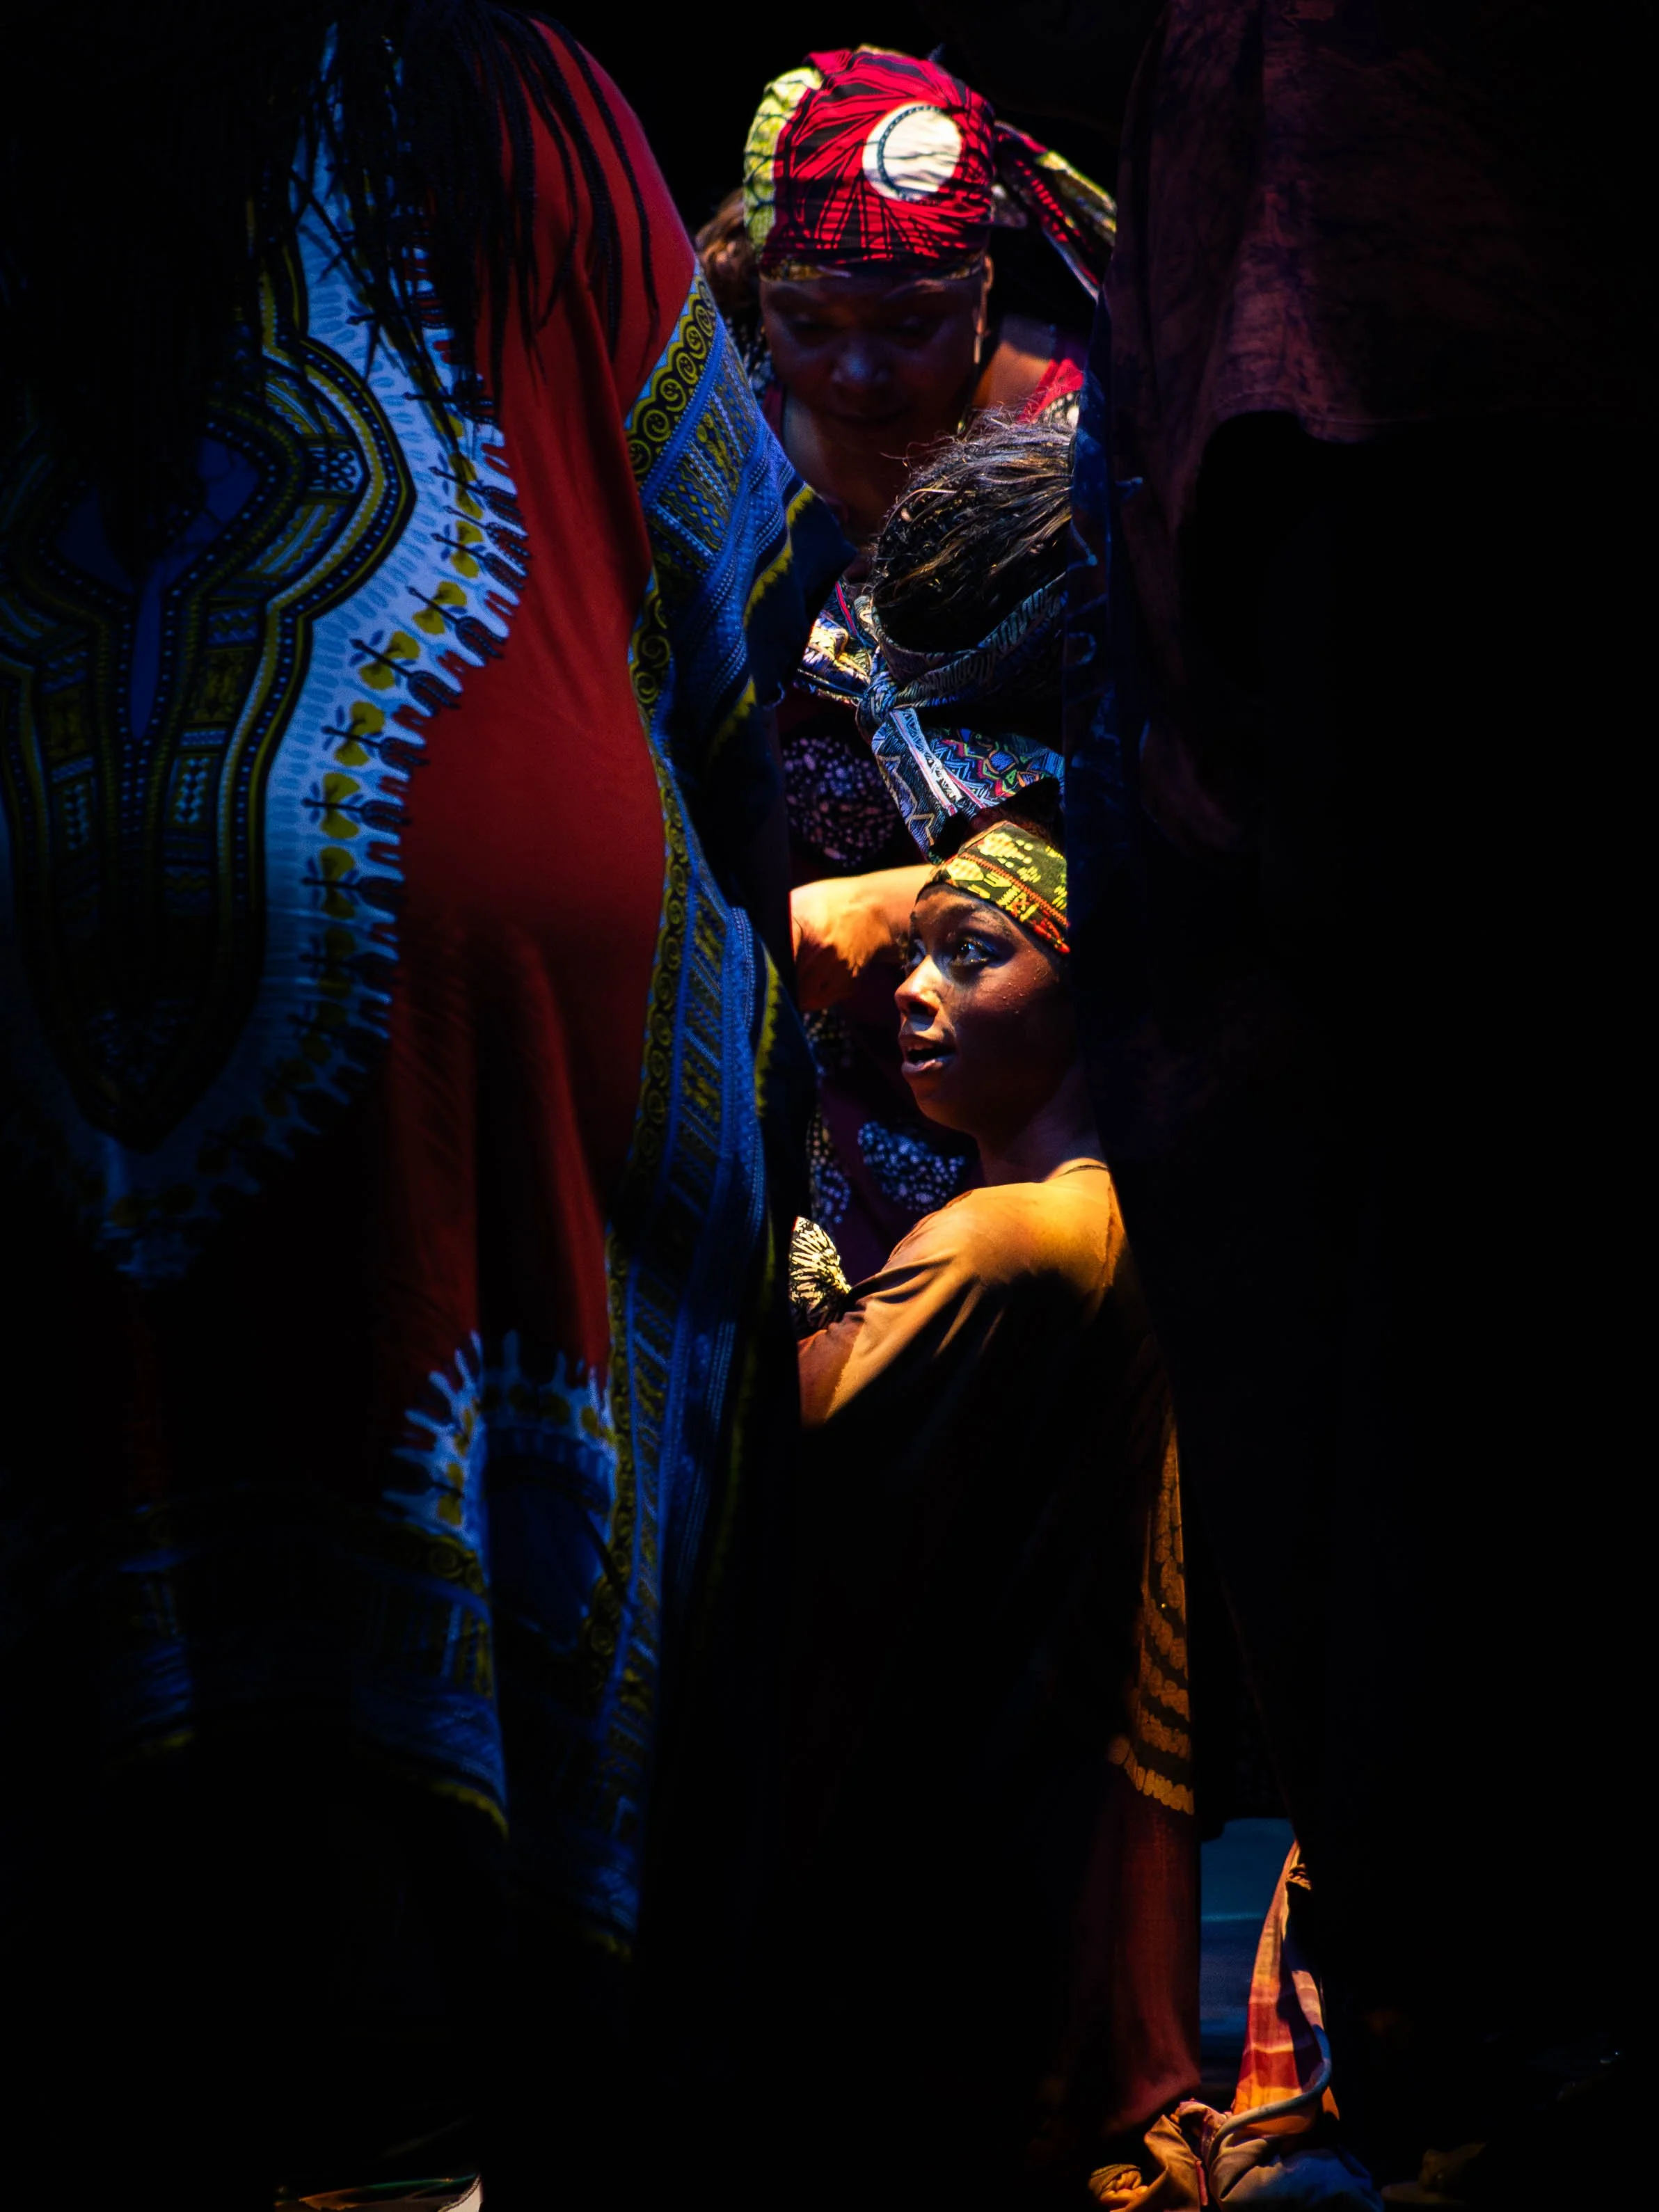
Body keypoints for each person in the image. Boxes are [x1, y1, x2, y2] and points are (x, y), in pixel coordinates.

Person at [0, 7, 845, 2206]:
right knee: (478, 1543)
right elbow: (716, 566)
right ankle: (452, 2123)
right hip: (478, 927)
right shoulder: (508, 96)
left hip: (46, 909)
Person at [1062, 2, 1647, 2192]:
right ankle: (1452, 1993)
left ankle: (1451, 1987)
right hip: (1415, 510)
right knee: (1473, 1263)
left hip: (1404, 517)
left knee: (1470, 1272)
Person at [782, 815, 1199, 2208]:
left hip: (948, 1902)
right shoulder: (1118, 1221)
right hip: (1051, 1880)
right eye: (913, 958)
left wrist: (777, 1272)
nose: (916, 991)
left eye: (974, 958)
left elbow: (783, 1473)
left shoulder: (1000, 1241)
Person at [699, 46, 1116, 1280]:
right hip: (778, 1039)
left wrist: (903, 908)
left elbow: (1165, 777)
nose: (859, 372)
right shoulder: (715, 451)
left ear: (983, 284)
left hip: (1041, 1078)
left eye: (911, 323)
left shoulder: (1087, 447)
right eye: (808, 322)